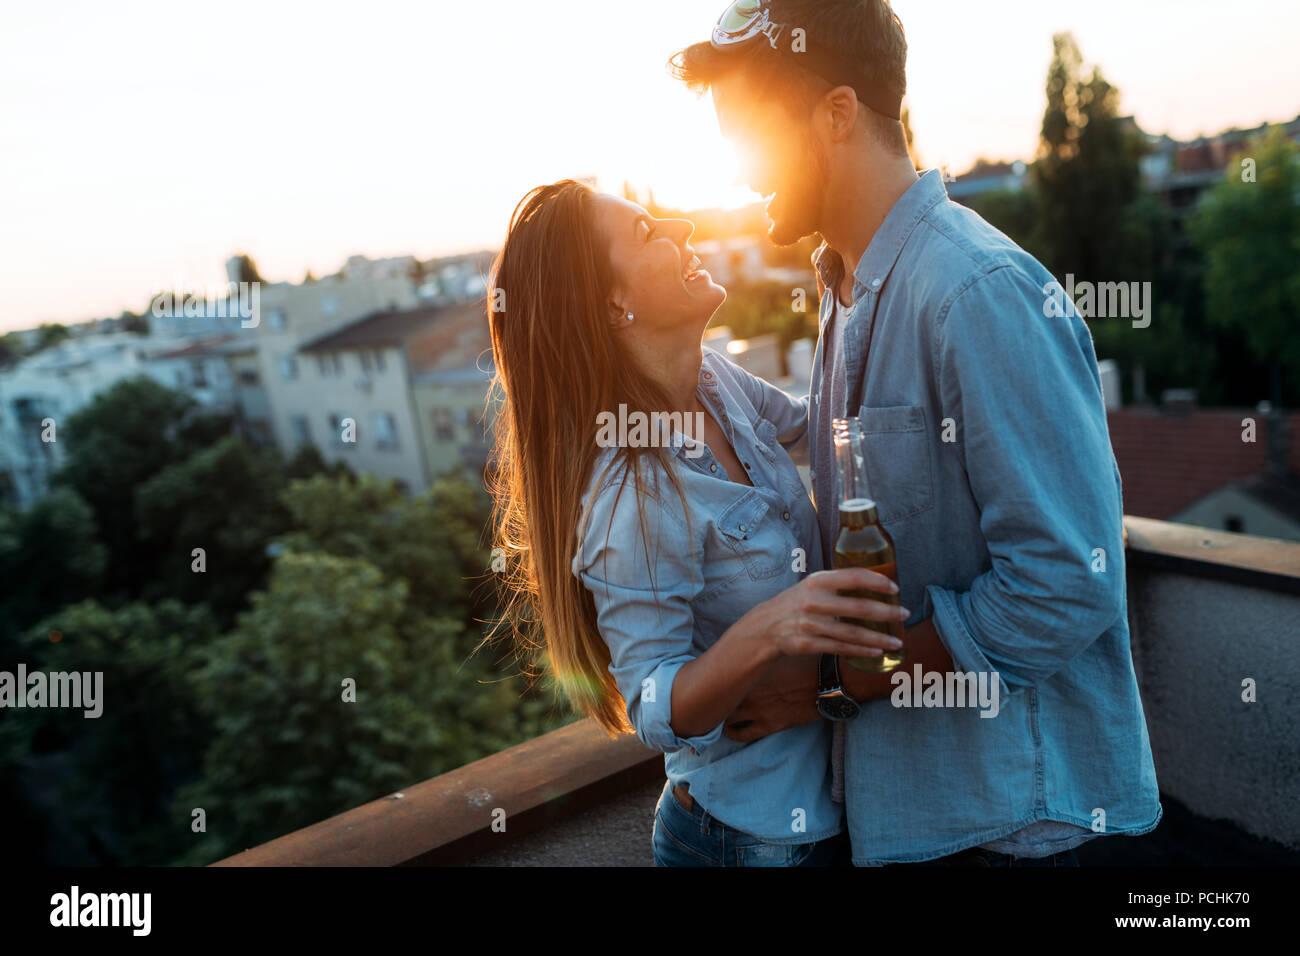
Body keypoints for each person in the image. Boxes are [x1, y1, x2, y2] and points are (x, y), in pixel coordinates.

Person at [670, 0, 1163, 866]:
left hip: (1022, 833)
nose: (739, 169)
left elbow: (1065, 585)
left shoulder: (976, 292)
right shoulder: (843, 287)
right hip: (923, 825)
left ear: (835, 113)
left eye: (751, 131)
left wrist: (830, 684)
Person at [485, 179, 903, 865]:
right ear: (614, 303)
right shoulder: (631, 492)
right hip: (753, 843)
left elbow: (829, 423)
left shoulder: (716, 380)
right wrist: (768, 629)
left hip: (830, 814)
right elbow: (655, 707)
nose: (681, 225)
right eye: (648, 231)